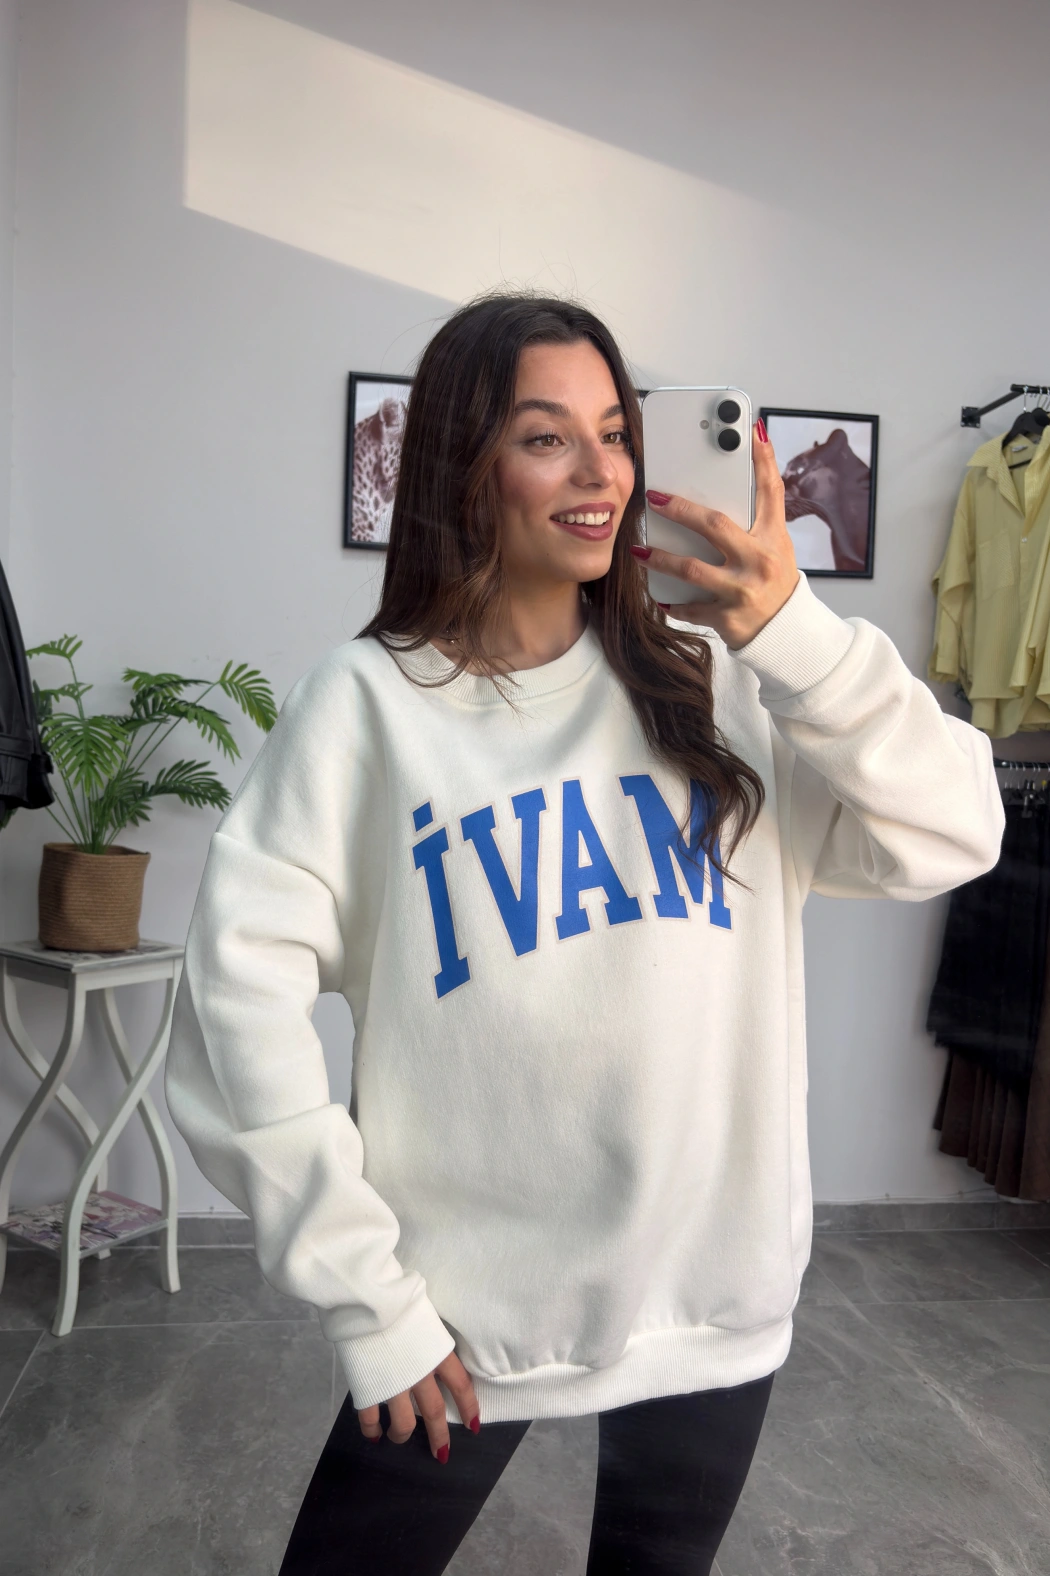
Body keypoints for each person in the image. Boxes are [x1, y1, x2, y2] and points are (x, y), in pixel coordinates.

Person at [164, 293, 1004, 1575]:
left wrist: (796, 637)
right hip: (460, 1313)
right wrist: (368, 1296)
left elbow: (957, 830)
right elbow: (234, 1010)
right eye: (546, 437)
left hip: (710, 1298)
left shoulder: (724, 685)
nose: (601, 472)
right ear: (465, 466)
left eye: (616, 432)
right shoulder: (370, 705)